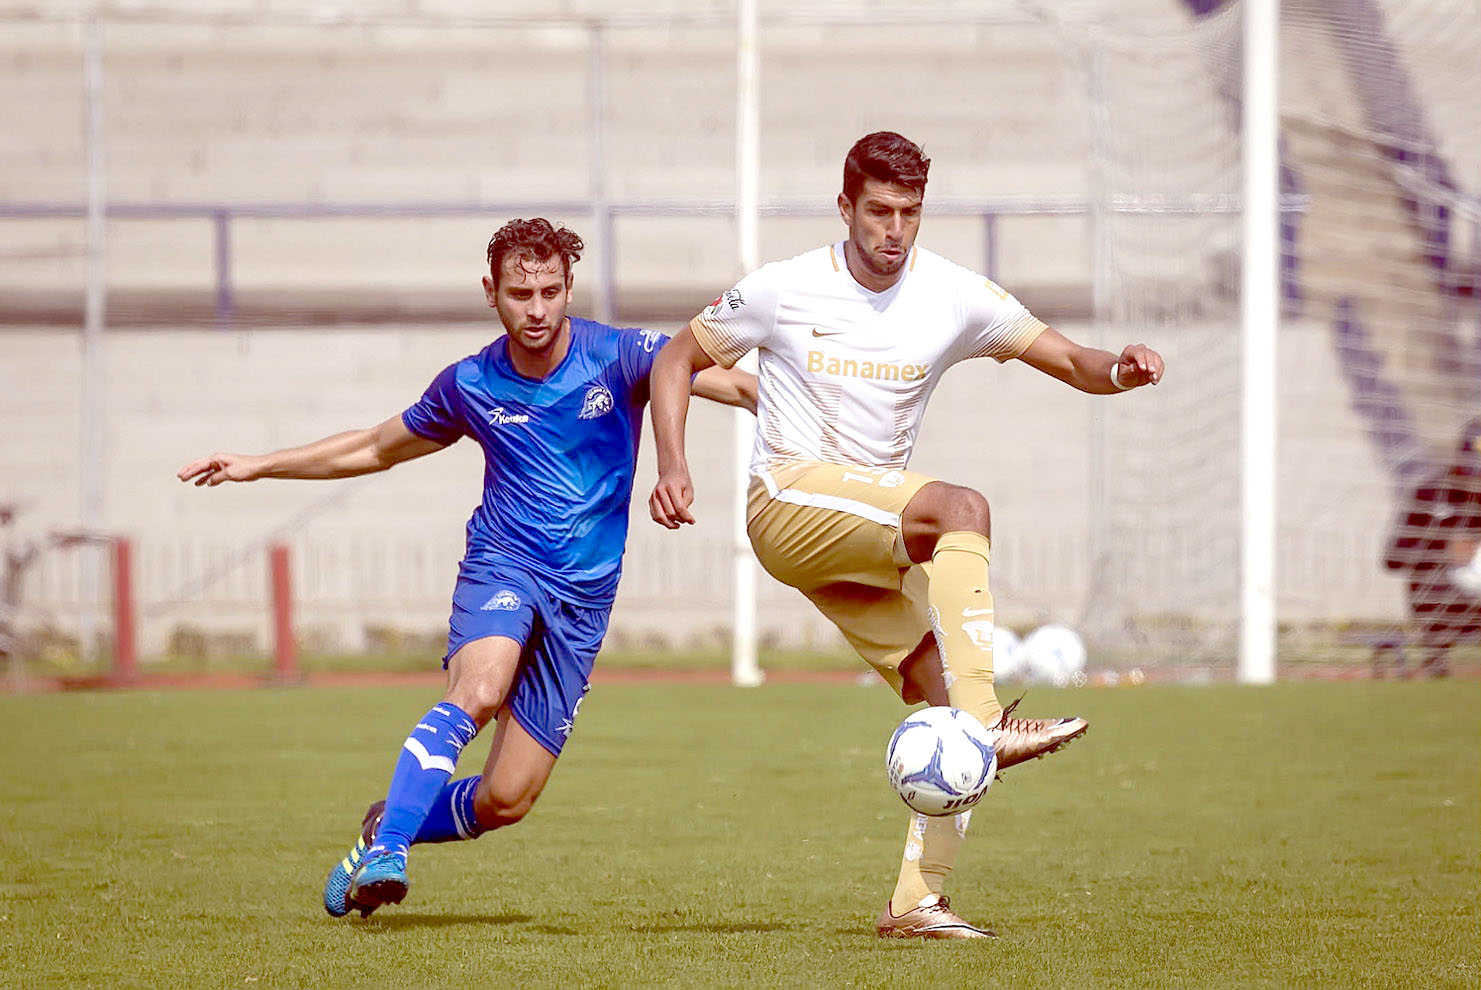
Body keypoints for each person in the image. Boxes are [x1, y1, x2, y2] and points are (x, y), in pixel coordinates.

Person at [647, 132, 1165, 939]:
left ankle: (914, 901)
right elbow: (674, 360)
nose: (893, 229)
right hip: (785, 504)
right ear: (845, 206)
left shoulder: (954, 295)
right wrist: (673, 465)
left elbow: (1067, 358)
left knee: (943, 701)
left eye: (909, 213)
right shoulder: (784, 288)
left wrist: (1120, 369)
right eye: (878, 211)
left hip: (866, 533)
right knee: (960, 508)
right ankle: (989, 718)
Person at [178, 218, 756, 919]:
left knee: (506, 799)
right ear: (492, 292)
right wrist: (259, 466)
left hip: (582, 603)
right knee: (480, 688)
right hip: (504, 565)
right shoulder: (471, 384)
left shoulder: (619, 355)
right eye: (520, 293)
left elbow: (731, 384)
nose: (536, 309)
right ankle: (392, 847)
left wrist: (813, 417)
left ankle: (384, 824)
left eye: (549, 291)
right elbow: (372, 446)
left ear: (569, 287)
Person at [1383, 416, 1481, 678]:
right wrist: (1444, 551)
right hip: (1444, 603)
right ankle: (1435, 665)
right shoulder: (1430, 493)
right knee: (1431, 579)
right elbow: (1393, 559)